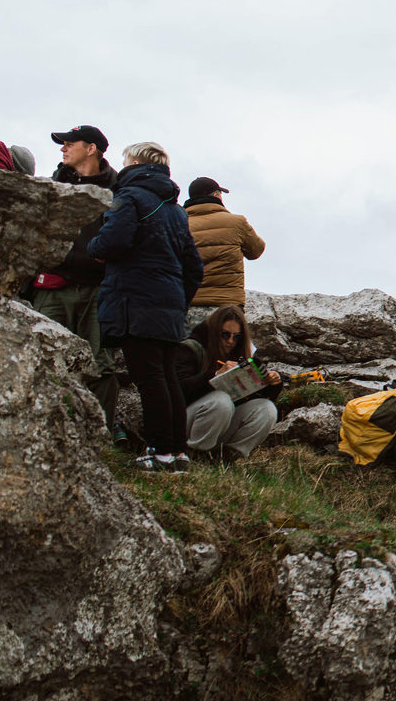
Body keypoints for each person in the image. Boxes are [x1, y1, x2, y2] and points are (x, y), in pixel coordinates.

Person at [88, 142, 204, 472]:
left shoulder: (131, 196)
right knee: (167, 377)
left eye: (126, 160)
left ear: (136, 162)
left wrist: (94, 246)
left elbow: (115, 240)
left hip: (134, 301)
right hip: (166, 305)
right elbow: (194, 266)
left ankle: (159, 452)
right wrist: (176, 302)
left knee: (149, 379)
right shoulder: (176, 210)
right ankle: (177, 452)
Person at [31, 125, 122, 436]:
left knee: (101, 365)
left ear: (92, 148)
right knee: (42, 360)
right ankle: (41, 433)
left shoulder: (118, 189)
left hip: (100, 289)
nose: (63, 149)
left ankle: (98, 438)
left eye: (70, 143)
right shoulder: (54, 184)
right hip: (54, 286)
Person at [177, 305, 280, 460]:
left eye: (236, 337)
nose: (231, 341)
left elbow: (250, 396)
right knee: (221, 401)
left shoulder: (239, 355)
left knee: (266, 409)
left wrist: (271, 384)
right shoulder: (191, 348)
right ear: (213, 332)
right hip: (186, 423)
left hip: (221, 424)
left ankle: (228, 458)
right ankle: (194, 454)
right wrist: (214, 375)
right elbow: (178, 390)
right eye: (225, 335)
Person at [184, 176, 266, 324]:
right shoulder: (236, 222)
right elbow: (257, 251)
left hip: (189, 305)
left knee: (191, 347)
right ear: (216, 195)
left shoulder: (180, 224)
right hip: (228, 307)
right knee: (227, 346)